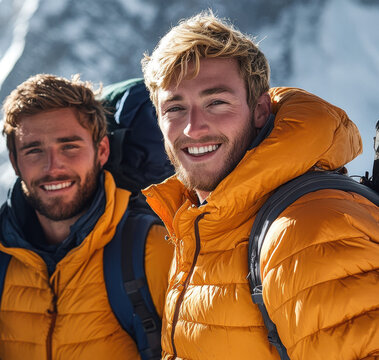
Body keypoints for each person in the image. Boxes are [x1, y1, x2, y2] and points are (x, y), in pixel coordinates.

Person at [140, 11, 379, 359]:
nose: (192, 127)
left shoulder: (307, 230)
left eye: (216, 102)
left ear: (261, 110)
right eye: (174, 108)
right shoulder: (202, 221)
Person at [0, 74, 175, 359]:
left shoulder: (154, 250)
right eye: (34, 150)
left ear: (101, 151)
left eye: (69, 146)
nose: (53, 167)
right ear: (14, 161)